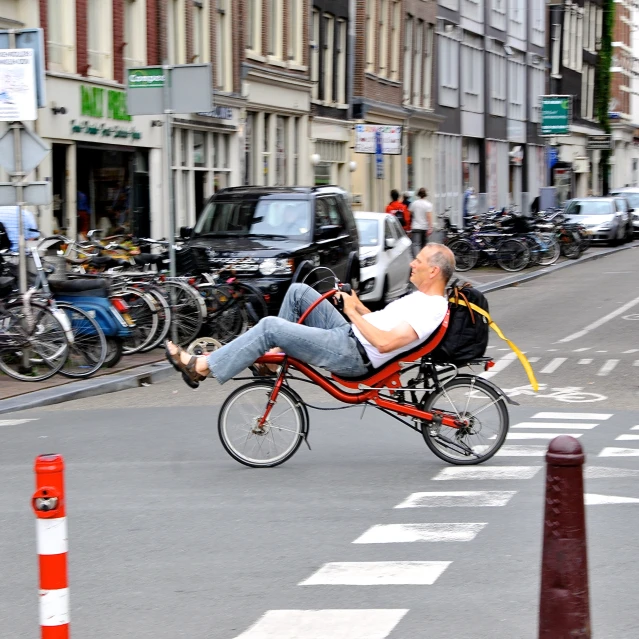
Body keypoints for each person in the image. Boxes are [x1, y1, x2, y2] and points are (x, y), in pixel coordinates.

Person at [165, 243, 455, 388]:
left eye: (418, 261)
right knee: (299, 292)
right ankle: (270, 364)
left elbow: (385, 343)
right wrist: (359, 307)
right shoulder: (420, 298)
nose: (412, 264)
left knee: (269, 327)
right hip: (351, 336)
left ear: (433, 271)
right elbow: (381, 322)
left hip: (354, 355)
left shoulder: (431, 307)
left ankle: (202, 366)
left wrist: (353, 313)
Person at [409, 187, 433, 256]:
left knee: (416, 244)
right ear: (426, 195)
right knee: (423, 245)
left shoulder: (414, 203)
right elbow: (429, 216)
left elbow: (410, 213)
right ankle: (422, 260)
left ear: (418, 194)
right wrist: (430, 227)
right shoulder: (428, 204)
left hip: (416, 227)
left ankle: (417, 259)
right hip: (424, 227)